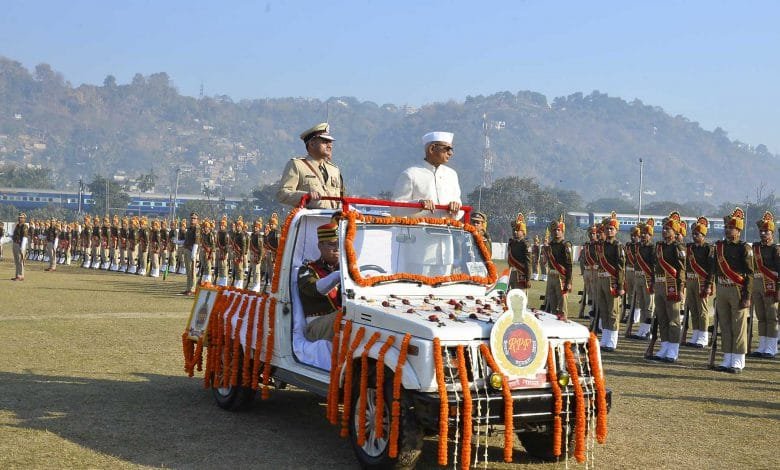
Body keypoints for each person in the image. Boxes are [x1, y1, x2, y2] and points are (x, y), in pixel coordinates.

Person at [712, 208, 754, 373]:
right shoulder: (720, 246)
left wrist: (747, 296)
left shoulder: (745, 248)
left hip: (737, 289)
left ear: (738, 230)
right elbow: (715, 268)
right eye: (726, 227)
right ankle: (727, 357)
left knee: (738, 325)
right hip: (722, 287)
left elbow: (750, 274)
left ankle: (738, 360)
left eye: (731, 228)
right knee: (725, 324)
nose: (728, 230)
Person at [392, 131, 462, 219]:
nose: (450, 153)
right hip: (419, 230)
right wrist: (418, 204)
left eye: (452, 149)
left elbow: (460, 211)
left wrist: (455, 207)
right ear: (432, 149)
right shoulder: (411, 174)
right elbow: (395, 210)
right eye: (447, 149)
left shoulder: (452, 175)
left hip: (448, 230)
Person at [648, 212, 686, 363]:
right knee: (662, 317)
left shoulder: (678, 247)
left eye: (668, 229)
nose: (664, 231)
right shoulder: (659, 246)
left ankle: (673, 349)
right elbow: (654, 267)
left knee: (673, 319)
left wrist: (681, 287)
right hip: (659, 284)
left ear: (675, 232)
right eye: (663, 229)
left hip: (673, 286)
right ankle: (664, 346)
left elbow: (682, 269)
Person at [277, 122, 344, 209]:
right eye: (325, 142)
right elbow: (282, 194)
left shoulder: (334, 170)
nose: (330, 146)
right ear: (312, 144)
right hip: (309, 219)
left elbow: (341, 198)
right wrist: (305, 196)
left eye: (330, 142)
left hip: (332, 219)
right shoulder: (297, 165)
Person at [297, 222, 342, 341]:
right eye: (332, 244)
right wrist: (338, 276)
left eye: (339, 243)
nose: (337, 248)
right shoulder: (307, 269)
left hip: (336, 322)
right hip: (316, 326)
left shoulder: (344, 269)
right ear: (320, 246)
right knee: (349, 315)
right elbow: (314, 289)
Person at [747, 211, 779, 359]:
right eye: (761, 231)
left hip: (771, 284)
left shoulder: (776, 249)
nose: (763, 233)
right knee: (760, 317)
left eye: (766, 231)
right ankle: (762, 345)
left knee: (771, 317)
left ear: (772, 233)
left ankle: (771, 348)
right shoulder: (755, 248)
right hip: (757, 284)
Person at [595, 212, 626, 351]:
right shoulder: (601, 245)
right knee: (604, 310)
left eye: (611, 229)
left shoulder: (618, 246)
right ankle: (605, 339)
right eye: (607, 228)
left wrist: (620, 285)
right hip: (601, 279)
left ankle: (612, 340)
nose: (609, 231)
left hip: (612, 280)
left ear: (616, 230)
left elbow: (620, 267)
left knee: (613, 311)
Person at [684, 217, 715, 348]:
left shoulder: (708, 248)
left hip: (702, 281)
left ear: (703, 235)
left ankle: (703, 336)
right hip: (690, 280)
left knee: (702, 310)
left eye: (698, 234)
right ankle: (695, 334)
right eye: (694, 234)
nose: (695, 236)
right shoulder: (689, 248)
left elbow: (711, 269)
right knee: (693, 309)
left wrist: (708, 285)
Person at [543, 215, 573, 320]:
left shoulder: (566, 245)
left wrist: (568, 281)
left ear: (562, 231)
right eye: (554, 230)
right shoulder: (550, 245)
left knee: (562, 306)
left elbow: (569, 265)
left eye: (558, 230)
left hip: (562, 277)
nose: (556, 232)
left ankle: (563, 325)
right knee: (552, 305)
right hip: (551, 276)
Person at [632, 219, 656, 340]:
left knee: (649, 306)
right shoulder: (638, 247)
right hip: (638, 277)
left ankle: (648, 330)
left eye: (645, 233)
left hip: (648, 278)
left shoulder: (653, 248)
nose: (642, 235)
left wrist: (653, 281)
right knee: (641, 304)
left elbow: (654, 266)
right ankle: (642, 329)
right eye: (641, 233)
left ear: (650, 235)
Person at [507, 213, 531, 290]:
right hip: (511, 272)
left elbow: (528, 263)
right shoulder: (512, 242)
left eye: (517, 230)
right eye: (514, 230)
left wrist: (528, 279)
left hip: (520, 274)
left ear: (523, 232)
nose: (515, 232)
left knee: (518, 296)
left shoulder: (525, 244)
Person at [181, 212, 201, 296]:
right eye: (191, 218)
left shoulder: (197, 228)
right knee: (188, 271)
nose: (192, 219)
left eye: (194, 218)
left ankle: (192, 289)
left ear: (197, 219)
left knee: (192, 271)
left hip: (192, 250)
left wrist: (194, 252)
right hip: (186, 250)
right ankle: (188, 288)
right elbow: (187, 240)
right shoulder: (190, 228)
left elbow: (196, 241)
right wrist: (178, 242)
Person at [11, 212, 29, 281]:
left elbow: (25, 237)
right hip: (15, 244)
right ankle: (17, 275)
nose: (20, 218)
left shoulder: (24, 226)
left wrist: (23, 247)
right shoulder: (17, 225)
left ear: (24, 219)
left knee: (20, 261)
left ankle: (20, 275)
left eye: (21, 217)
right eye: (19, 217)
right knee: (16, 261)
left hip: (20, 245)